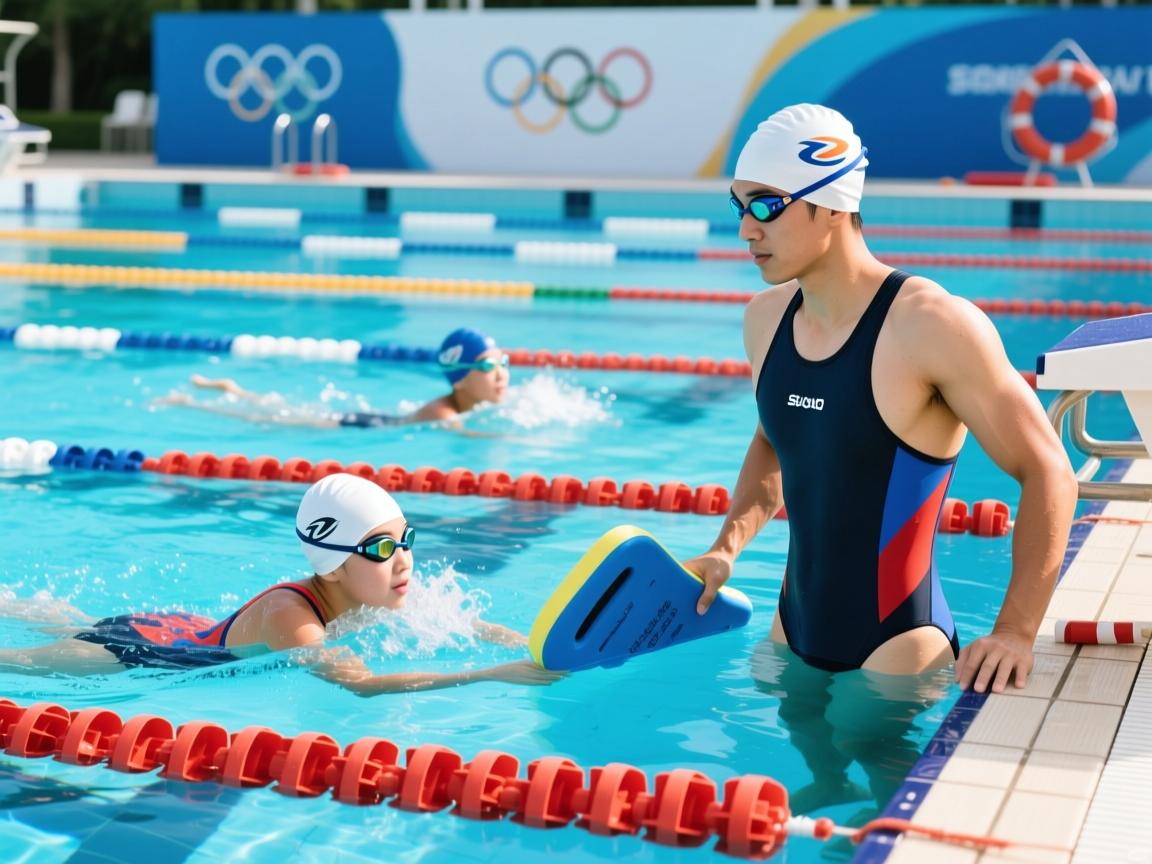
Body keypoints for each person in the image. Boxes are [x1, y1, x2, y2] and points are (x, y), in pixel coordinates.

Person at [684, 104, 1077, 694]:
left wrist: (1016, 631)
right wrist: (726, 548)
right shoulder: (764, 321)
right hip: (791, 633)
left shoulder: (931, 324)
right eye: (739, 206)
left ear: (832, 205)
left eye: (766, 204)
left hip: (897, 651)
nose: (746, 229)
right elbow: (774, 439)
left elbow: (1048, 469)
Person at [0, 473, 563, 694]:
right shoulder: (292, 619)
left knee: (62, 616)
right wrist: (493, 676)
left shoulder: (373, 587)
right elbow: (363, 685)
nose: (404, 561)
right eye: (383, 548)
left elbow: (462, 621)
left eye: (407, 539)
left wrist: (525, 644)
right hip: (142, 651)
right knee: (20, 661)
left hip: (179, 626)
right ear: (333, 565)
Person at [158, 327, 510, 428]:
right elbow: (475, 435)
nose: (501, 374)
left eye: (502, 362)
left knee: (280, 409)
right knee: (271, 419)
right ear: (460, 378)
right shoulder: (442, 413)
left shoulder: (464, 402)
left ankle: (232, 388)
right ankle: (192, 402)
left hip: (380, 419)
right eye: (486, 366)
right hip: (358, 425)